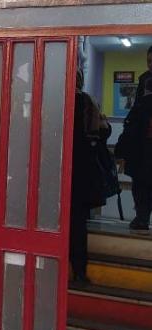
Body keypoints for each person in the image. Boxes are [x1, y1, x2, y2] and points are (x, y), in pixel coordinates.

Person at [70, 70, 111, 283]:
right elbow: (103, 131)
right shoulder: (87, 102)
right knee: (78, 225)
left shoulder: (55, 101)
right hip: (82, 173)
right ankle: (79, 272)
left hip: (55, 173)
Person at [118, 78, 152, 231]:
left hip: (141, 156)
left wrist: (121, 152)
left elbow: (129, 132)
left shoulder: (140, 105)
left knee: (140, 188)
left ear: (145, 89)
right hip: (143, 154)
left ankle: (142, 219)